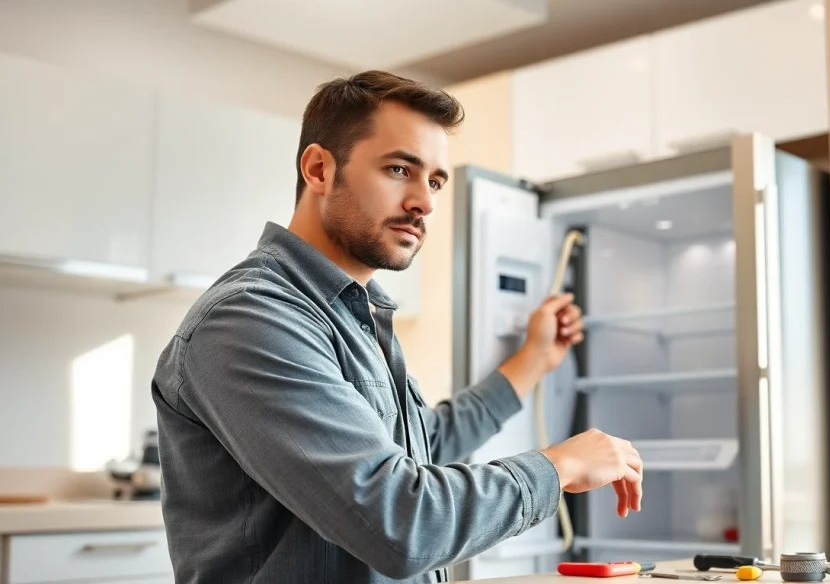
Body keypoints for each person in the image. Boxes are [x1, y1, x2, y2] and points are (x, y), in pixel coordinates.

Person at [151, 70, 644, 584]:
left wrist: (533, 361)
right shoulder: (251, 319)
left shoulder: (352, 314)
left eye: (434, 181)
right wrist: (559, 467)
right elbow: (402, 523)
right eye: (399, 169)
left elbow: (428, 442)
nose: (424, 202)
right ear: (319, 169)